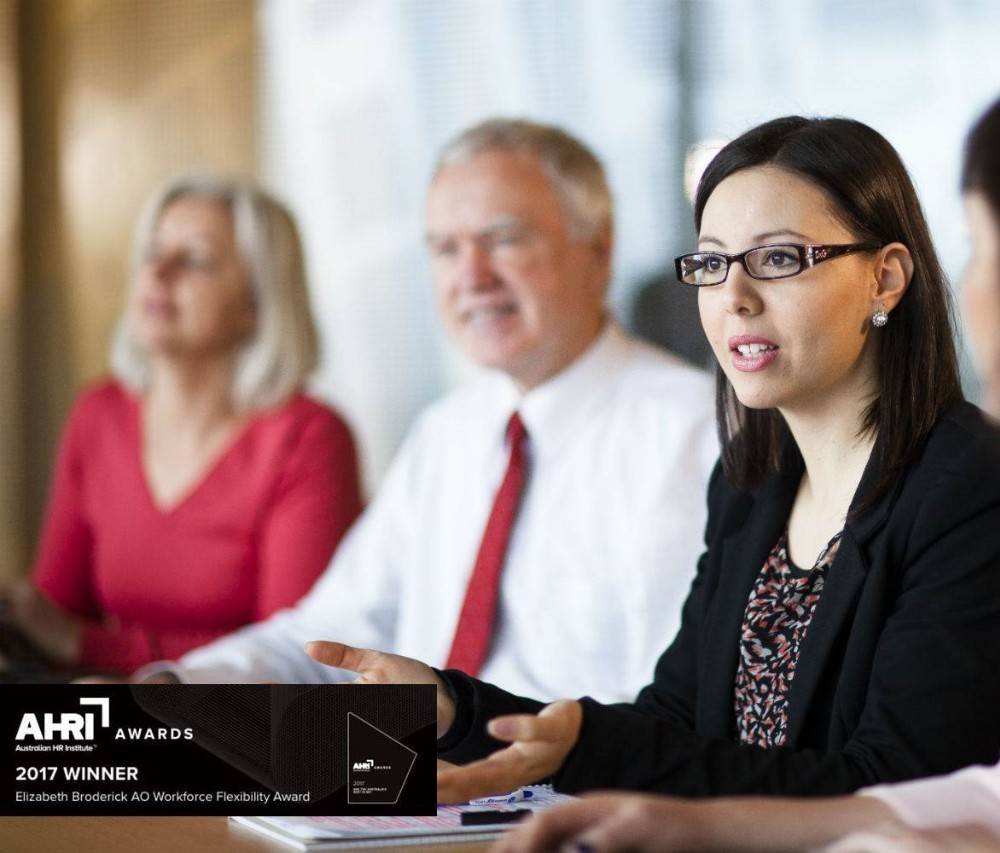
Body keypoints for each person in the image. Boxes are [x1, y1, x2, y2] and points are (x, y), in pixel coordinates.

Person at [496, 48, 1000, 852]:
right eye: (712, 262)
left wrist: (695, 822)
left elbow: (910, 780)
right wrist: (454, 719)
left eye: (988, 243)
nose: (972, 288)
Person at [313, 115, 1000, 801]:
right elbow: (674, 722)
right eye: (711, 264)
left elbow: (894, 793)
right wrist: (457, 709)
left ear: (886, 276)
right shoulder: (754, 481)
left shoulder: (975, 485)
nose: (734, 295)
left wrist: (584, 751)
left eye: (777, 258)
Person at [133, 119, 720, 706]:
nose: (472, 276)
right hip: (404, 778)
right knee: (91, 773)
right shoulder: (447, 432)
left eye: (504, 238)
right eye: (444, 248)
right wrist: (177, 685)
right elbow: (329, 637)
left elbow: (674, 711)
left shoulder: (697, 435)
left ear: (599, 249)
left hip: (568, 789)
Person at [0, 174, 363, 675]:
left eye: (194, 259)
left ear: (257, 305)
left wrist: (89, 647)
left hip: (244, 734)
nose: (157, 272)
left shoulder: (309, 436)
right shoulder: (98, 413)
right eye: (152, 252)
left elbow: (291, 657)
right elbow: (54, 620)